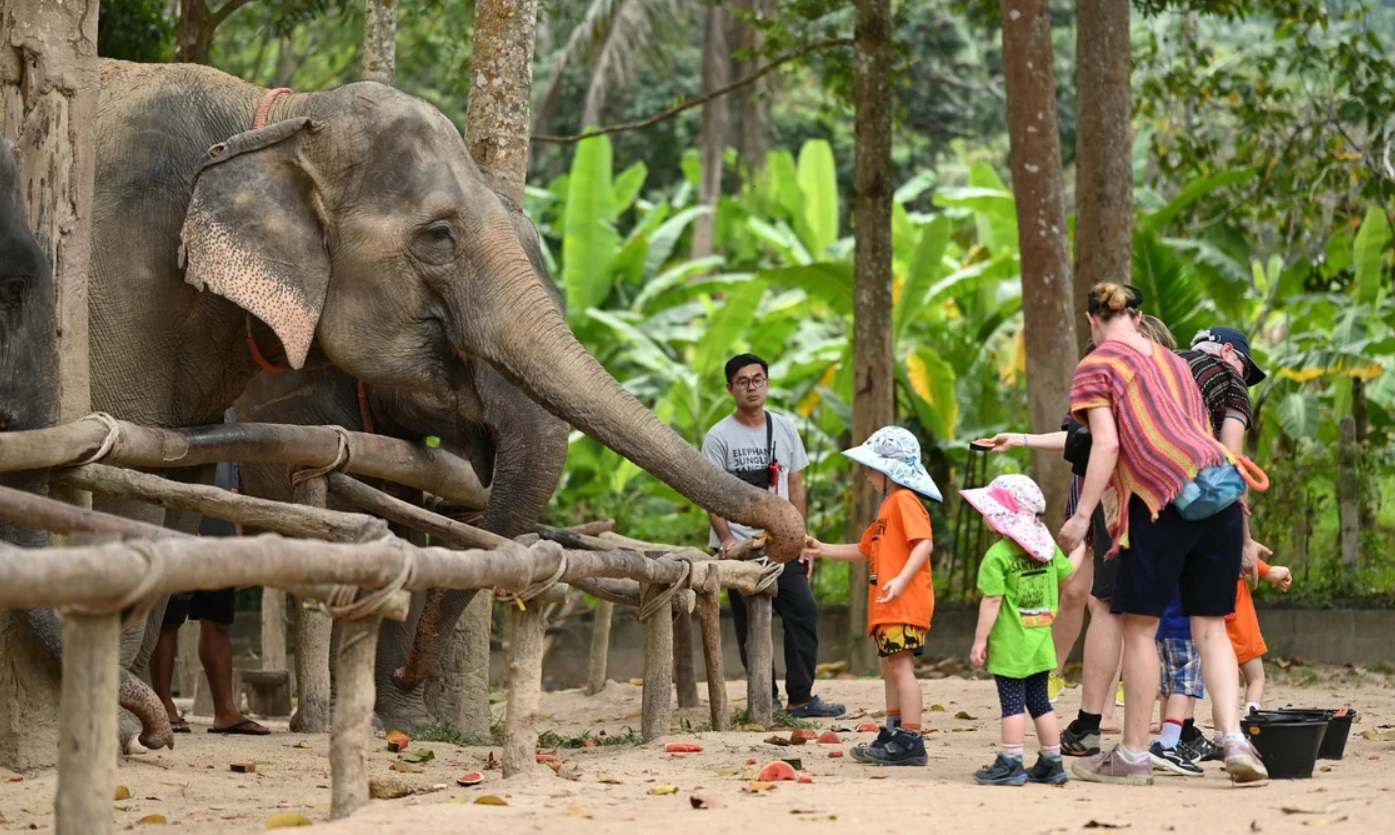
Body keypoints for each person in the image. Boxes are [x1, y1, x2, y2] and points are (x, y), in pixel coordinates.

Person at [1062, 282, 1265, 785]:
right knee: (1211, 627)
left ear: (1092, 321)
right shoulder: (1174, 361)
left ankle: (1131, 755)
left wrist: (1083, 516)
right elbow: (1202, 430)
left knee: (1139, 628)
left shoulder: (1096, 365)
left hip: (1159, 499)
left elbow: (1105, 445)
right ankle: (1235, 740)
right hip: (1219, 494)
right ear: (1137, 316)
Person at [703, 353, 843, 719]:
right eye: (743, 381)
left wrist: (800, 538)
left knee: (803, 613)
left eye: (758, 379)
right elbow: (710, 496)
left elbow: (796, 485)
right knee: (751, 625)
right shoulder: (718, 437)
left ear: (767, 382)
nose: (752, 387)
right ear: (730, 388)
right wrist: (727, 541)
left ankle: (801, 698)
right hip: (740, 549)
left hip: (781, 544)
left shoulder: (784, 428)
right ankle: (764, 698)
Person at [803, 426, 942, 766]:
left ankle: (912, 737)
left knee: (901, 666)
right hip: (885, 605)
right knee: (890, 666)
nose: (866, 475)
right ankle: (894, 730)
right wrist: (821, 549)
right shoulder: (886, 508)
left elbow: (924, 543)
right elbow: (863, 549)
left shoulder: (905, 501)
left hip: (903, 602)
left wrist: (900, 580)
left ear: (888, 471)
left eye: (871, 468)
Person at [964, 474, 1083, 786]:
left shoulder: (998, 556)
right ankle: (1052, 760)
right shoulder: (1046, 548)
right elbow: (1068, 573)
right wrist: (1084, 545)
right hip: (1041, 644)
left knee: (1013, 705)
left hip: (1011, 647)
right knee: (1040, 704)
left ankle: (1011, 761)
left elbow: (992, 600)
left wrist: (979, 640)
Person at [150, 454, 271, 736]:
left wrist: (236, 528)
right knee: (168, 618)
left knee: (218, 619)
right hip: (179, 521)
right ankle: (163, 703)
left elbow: (233, 480)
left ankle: (226, 711)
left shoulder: (229, 416)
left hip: (219, 525)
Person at [1229, 559, 1294, 716]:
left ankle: (1222, 731)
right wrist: (1268, 570)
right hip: (1243, 630)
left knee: (1225, 689)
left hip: (1214, 630)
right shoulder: (1230, 547)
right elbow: (1243, 553)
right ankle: (1250, 717)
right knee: (1256, 679)